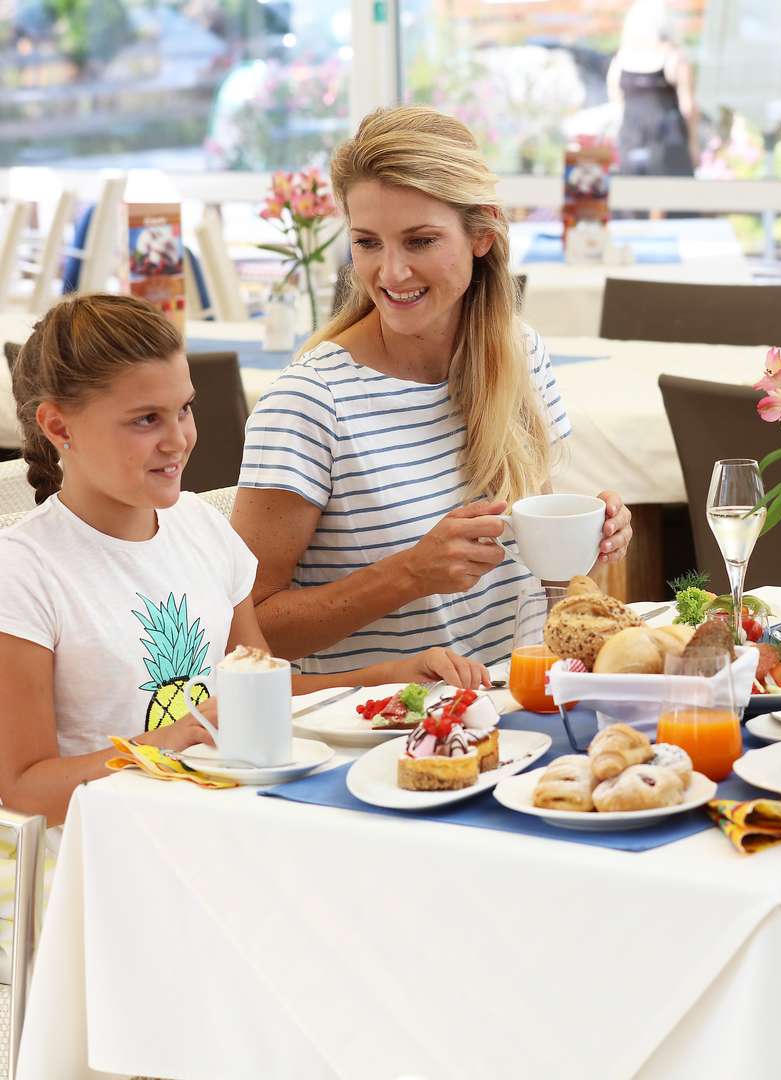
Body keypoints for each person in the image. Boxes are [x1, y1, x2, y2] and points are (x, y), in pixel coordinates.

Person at [0, 294, 490, 826]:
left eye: (184, 409)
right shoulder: (25, 573)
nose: (178, 440)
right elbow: (26, 789)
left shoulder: (204, 530)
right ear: (59, 427)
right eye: (145, 420)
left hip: (227, 824)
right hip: (102, 855)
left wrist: (386, 677)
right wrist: (161, 744)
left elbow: (262, 693)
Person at [231, 106, 633, 675]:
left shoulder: (520, 355)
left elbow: (534, 578)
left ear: (482, 236)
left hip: (516, 706)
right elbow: (244, 634)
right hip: (374, 735)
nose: (390, 274)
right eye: (367, 243)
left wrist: (587, 538)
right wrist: (409, 573)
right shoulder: (309, 405)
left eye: (419, 241)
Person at [607, 0, 699, 178]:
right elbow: (688, 108)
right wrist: (693, 144)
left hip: (631, 141)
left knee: (632, 200)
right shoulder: (674, 57)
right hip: (668, 143)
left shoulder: (620, 58)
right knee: (673, 200)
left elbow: (616, 102)